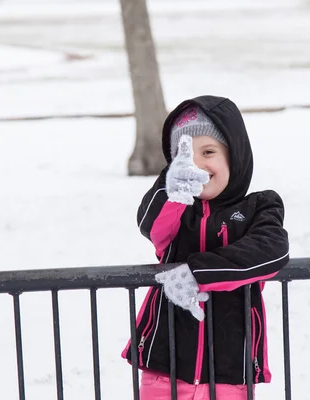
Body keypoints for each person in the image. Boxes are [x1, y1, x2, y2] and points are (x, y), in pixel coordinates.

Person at [121, 95, 289, 399]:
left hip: (229, 372)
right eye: (183, 157)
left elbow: (271, 250)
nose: (197, 165)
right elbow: (150, 225)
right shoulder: (176, 210)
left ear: (234, 156)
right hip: (164, 369)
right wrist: (170, 189)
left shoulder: (260, 207)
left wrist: (196, 273)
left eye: (208, 151)